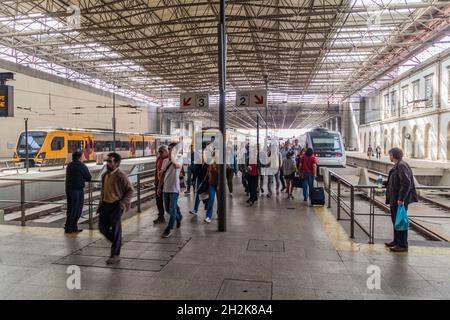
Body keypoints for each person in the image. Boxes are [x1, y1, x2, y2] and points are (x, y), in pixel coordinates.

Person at [97, 152, 134, 264]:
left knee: (116, 229)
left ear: (117, 163)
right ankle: (117, 242)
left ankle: (115, 255)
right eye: (107, 161)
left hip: (116, 205)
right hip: (105, 205)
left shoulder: (121, 176)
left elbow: (130, 190)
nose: (107, 163)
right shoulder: (105, 175)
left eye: (110, 161)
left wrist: (122, 203)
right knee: (102, 228)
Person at [384, 147, 418, 252]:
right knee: (396, 220)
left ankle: (403, 245)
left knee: (400, 221)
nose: (389, 157)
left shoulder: (401, 166)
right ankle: (396, 241)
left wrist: (401, 198)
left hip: (399, 200)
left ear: (393, 156)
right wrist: (385, 183)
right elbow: (397, 181)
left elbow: (406, 183)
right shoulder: (399, 165)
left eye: (390, 155)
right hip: (395, 198)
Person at [158, 143, 183, 238]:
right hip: (165, 188)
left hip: (174, 189)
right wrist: (159, 187)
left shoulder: (179, 159)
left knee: (172, 209)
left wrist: (172, 158)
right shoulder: (164, 161)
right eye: (169, 149)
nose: (169, 151)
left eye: (172, 150)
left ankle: (169, 229)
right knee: (168, 209)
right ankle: (178, 217)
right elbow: (162, 175)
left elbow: (177, 166)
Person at [65, 150, 92, 234]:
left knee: (70, 208)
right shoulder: (81, 165)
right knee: (76, 209)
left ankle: (67, 226)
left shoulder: (69, 165)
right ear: (80, 157)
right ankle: (72, 227)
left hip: (68, 189)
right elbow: (89, 177)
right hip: (77, 190)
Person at [189, 151, 209, 215]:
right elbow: (196, 172)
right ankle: (195, 209)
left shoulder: (208, 163)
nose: (201, 156)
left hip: (207, 180)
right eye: (200, 154)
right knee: (198, 193)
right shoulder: (198, 163)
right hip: (200, 179)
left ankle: (207, 207)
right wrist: (193, 179)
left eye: (203, 154)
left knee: (207, 194)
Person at [154, 145, 169, 224]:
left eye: (161, 152)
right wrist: (156, 181)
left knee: (168, 202)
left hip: (167, 183)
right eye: (159, 152)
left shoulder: (170, 160)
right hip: (159, 183)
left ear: (167, 151)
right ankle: (161, 216)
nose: (160, 154)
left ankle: (177, 215)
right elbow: (156, 170)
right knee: (158, 200)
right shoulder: (159, 159)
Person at [204, 156, 219, 223]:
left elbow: (222, 175)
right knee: (211, 200)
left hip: (219, 185)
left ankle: (219, 214)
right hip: (212, 184)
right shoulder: (210, 164)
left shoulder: (220, 164)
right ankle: (208, 216)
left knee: (220, 201)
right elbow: (208, 173)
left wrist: (219, 184)